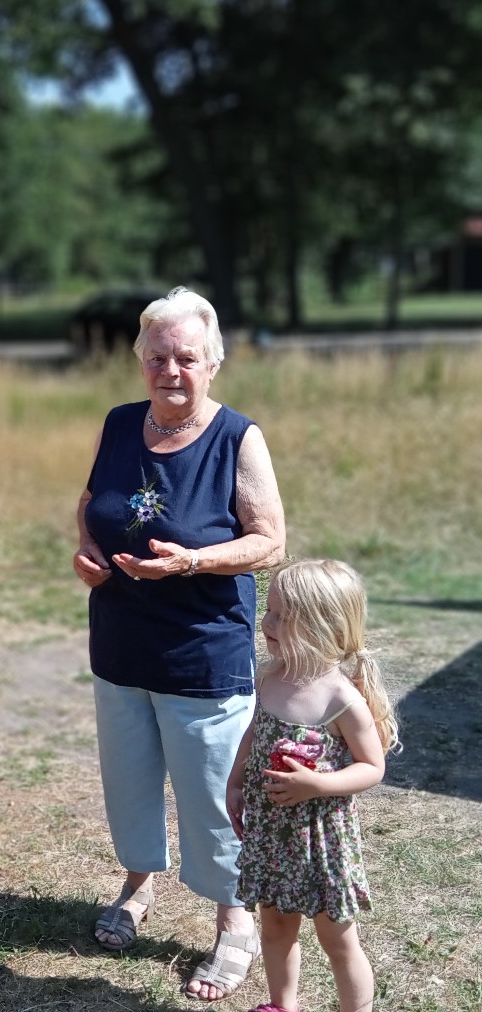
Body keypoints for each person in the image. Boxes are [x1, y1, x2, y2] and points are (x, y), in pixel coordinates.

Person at [73, 286, 286, 1001]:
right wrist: (85, 552)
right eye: (157, 356)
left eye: (186, 358)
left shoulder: (237, 438)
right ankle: (138, 884)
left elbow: (269, 541)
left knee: (212, 795)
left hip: (203, 652)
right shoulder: (119, 423)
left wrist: (192, 561)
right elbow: (90, 504)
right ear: (140, 362)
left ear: (213, 362)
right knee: (130, 779)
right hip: (121, 645)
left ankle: (235, 920)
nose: (171, 369)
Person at [228, 559, 398, 1012]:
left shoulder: (342, 698)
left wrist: (316, 785)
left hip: (321, 840)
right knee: (275, 927)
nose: (267, 622)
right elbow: (253, 733)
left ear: (321, 626)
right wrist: (236, 782)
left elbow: (371, 767)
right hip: (273, 834)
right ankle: (283, 1006)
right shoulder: (268, 678)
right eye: (269, 610)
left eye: (283, 615)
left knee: (337, 940)